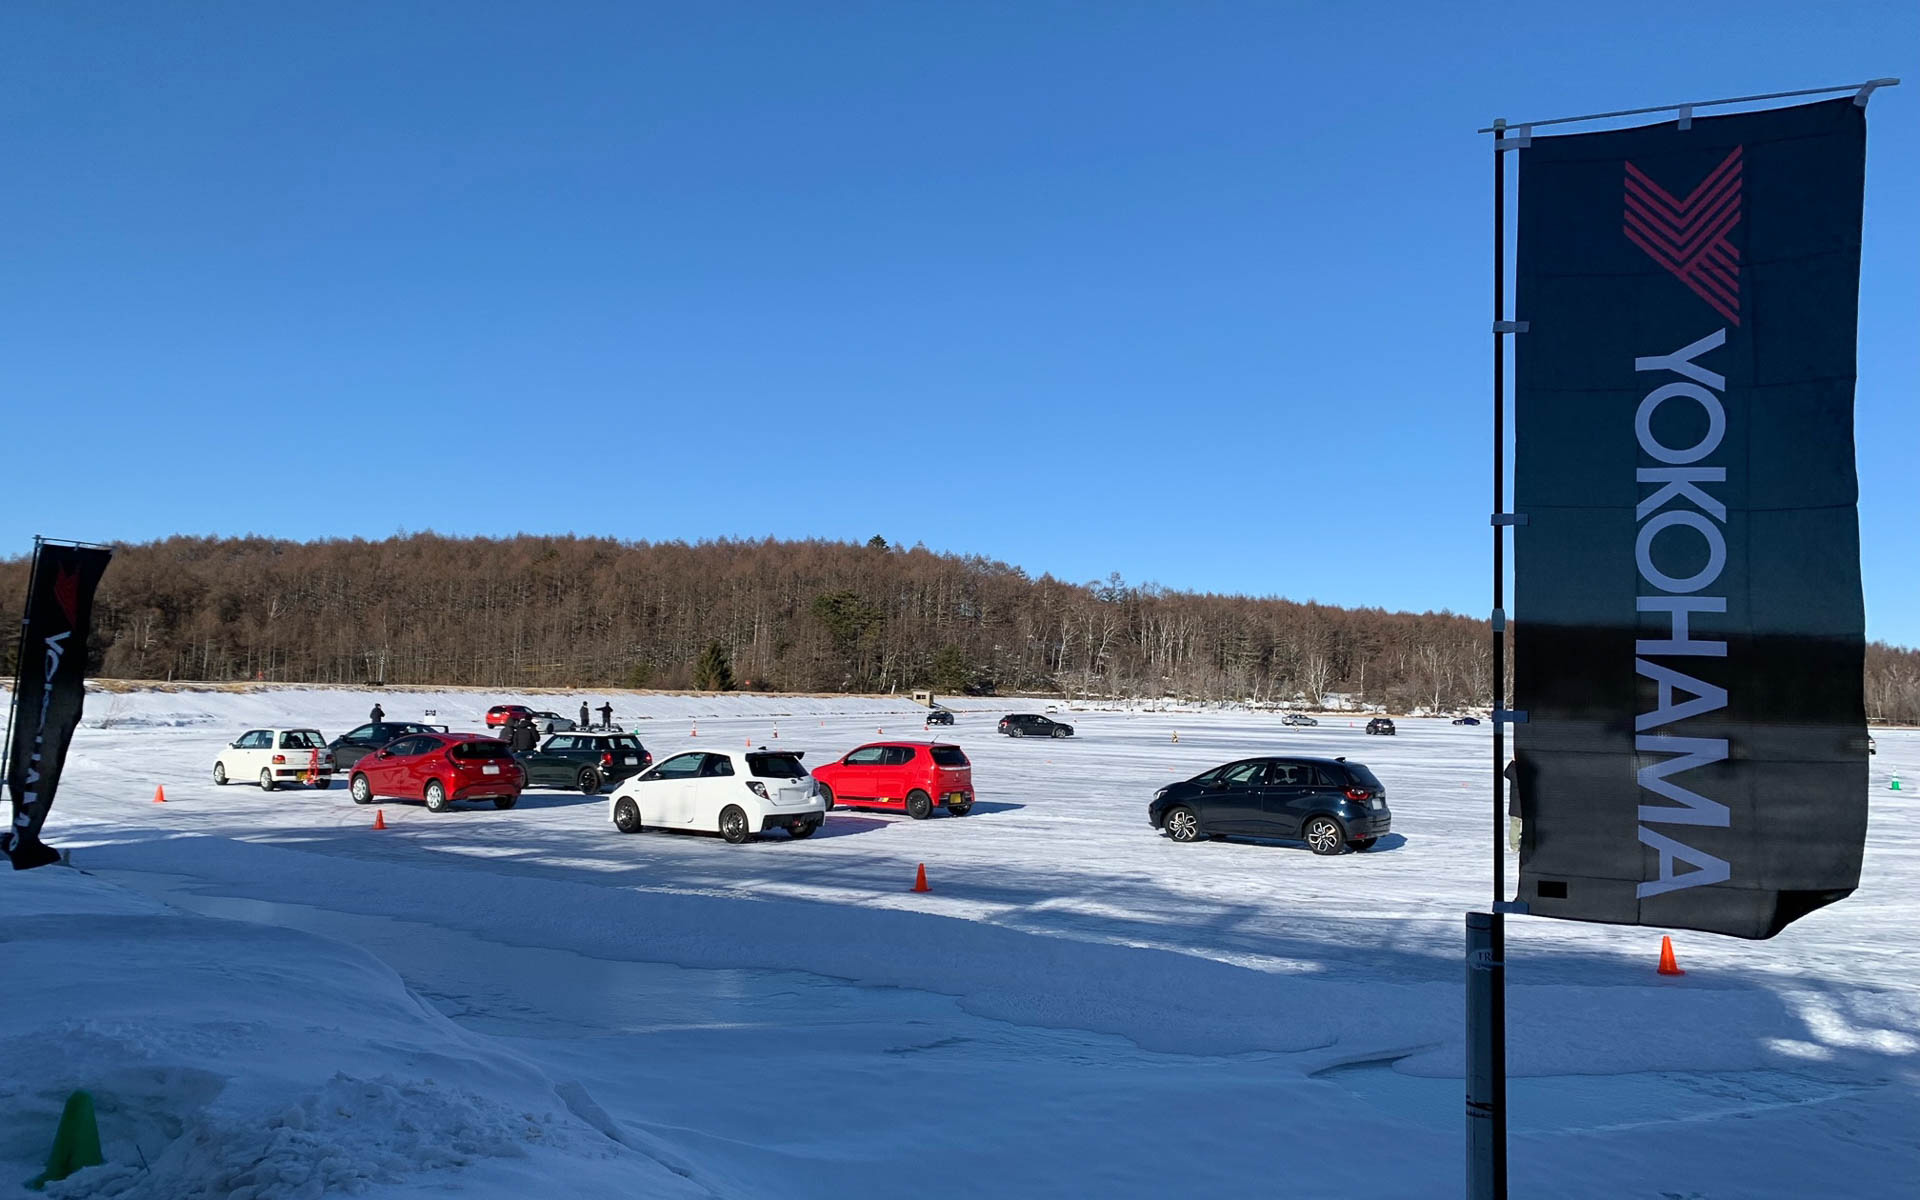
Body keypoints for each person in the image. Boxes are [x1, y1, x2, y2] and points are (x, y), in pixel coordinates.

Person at [1505, 759, 1522, 851]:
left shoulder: (1514, 772)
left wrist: (1513, 762)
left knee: (1515, 825)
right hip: (1527, 804)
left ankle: (1515, 846)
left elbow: (1507, 773)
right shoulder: (1528, 772)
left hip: (1515, 806)